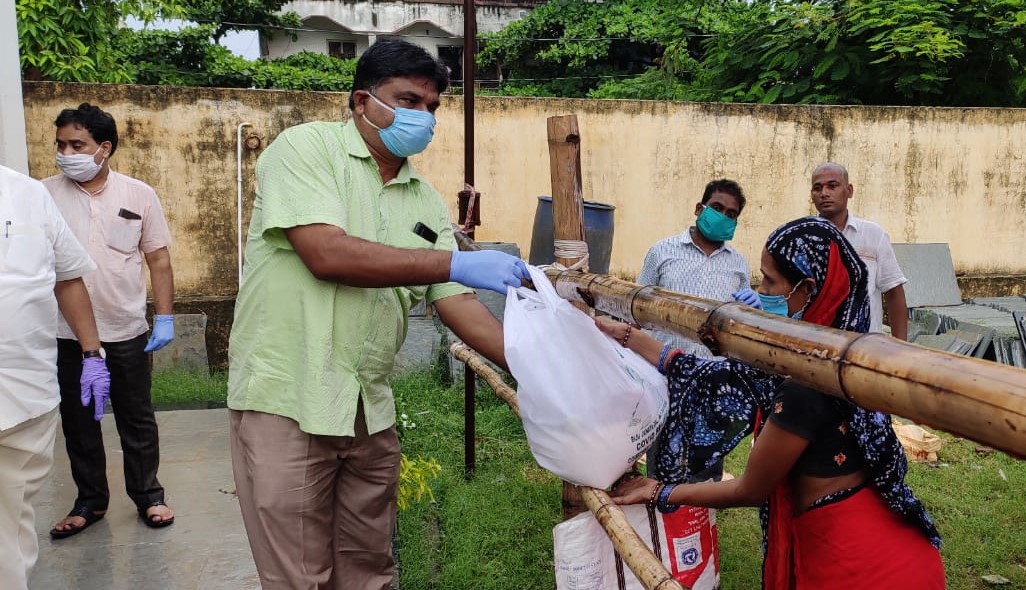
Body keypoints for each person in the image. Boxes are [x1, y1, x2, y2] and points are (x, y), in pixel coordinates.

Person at [226, 39, 528, 589]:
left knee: (369, 570)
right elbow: (326, 254)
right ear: (362, 101)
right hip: (289, 399)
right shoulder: (306, 150)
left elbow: (454, 300)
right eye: (407, 100)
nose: (422, 117)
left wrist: (531, 364)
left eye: (432, 107)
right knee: (299, 575)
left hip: (368, 409)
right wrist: (453, 261)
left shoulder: (424, 200)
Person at [600, 217, 943, 589]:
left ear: (807, 289)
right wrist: (629, 336)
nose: (760, 289)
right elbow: (713, 377)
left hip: (859, 565)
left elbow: (750, 489)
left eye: (769, 280)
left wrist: (659, 491)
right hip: (898, 548)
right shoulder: (851, 353)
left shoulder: (808, 384)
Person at [41, 103, 178, 538]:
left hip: (126, 329)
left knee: (136, 417)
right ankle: (90, 502)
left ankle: (149, 496)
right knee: (79, 421)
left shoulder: (138, 194)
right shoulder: (42, 195)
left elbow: (157, 258)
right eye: (60, 144)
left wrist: (165, 317)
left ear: (104, 148)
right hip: (65, 333)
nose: (66, 152)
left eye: (76, 144)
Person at [0, 164, 108, 587]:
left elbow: (67, 278)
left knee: (12, 523)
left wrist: (92, 353)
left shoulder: (27, 194)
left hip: (26, 396)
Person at [636, 179, 752, 359]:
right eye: (716, 208)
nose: (723, 216)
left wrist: (752, 309)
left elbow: (742, 321)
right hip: (663, 365)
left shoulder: (739, 264)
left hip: (714, 370)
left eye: (731, 214)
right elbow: (636, 308)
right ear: (699, 209)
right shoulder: (661, 251)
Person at [809, 162, 909, 339]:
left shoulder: (873, 235)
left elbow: (893, 292)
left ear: (849, 190)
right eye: (818, 188)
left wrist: (901, 348)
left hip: (867, 347)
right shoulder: (804, 237)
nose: (824, 193)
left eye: (832, 186)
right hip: (818, 346)